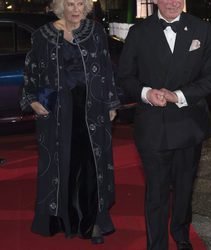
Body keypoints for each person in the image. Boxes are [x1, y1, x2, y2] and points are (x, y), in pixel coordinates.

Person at [118, 0, 211, 249]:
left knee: (185, 189)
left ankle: (181, 235)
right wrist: (145, 93)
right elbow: (125, 76)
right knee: (156, 192)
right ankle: (157, 244)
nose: (173, 2)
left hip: (188, 124)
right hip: (153, 126)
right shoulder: (139, 32)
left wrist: (179, 95)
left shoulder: (201, 29)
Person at [20, 0, 120, 245]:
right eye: (70, 4)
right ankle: (63, 220)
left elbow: (106, 69)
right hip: (57, 110)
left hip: (92, 108)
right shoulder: (42, 35)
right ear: (59, 6)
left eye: (80, 4)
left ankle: (93, 222)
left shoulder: (95, 31)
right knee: (62, 163)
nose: (75, 9)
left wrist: (111, 102)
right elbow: (32, 71)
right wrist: (32, 100)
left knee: (92, 165)